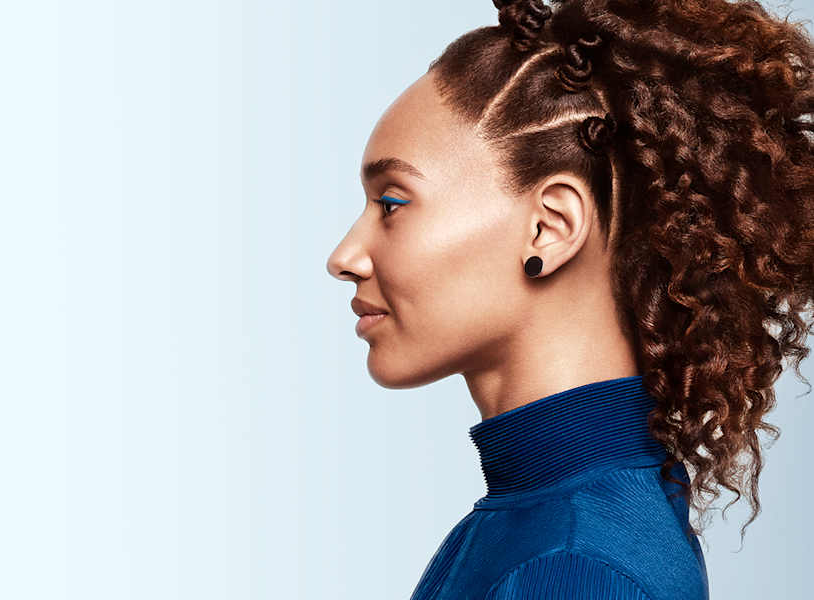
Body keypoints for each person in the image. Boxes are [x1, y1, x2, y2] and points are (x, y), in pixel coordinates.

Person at [326, 0, 814, 598]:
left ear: (549, 227)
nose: (345, 257)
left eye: (392, 204)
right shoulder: (551, 518)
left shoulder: (572, 564)